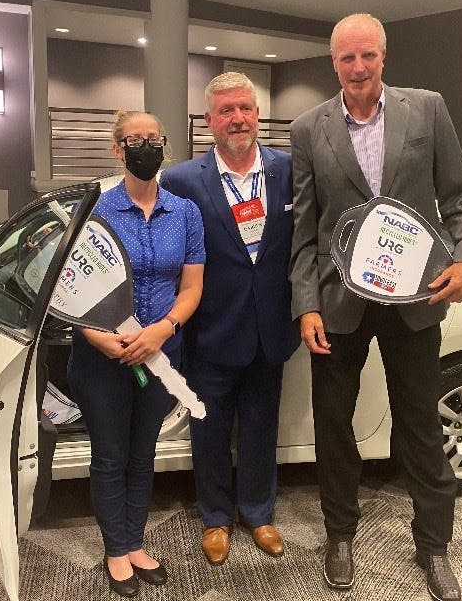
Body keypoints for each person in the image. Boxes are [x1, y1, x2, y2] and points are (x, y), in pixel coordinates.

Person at [289, 13, 462, 601]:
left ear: (383, 55)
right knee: (333, 425)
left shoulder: (427, 110)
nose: (358, 67)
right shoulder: (308, 129)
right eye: (347, 58)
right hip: (338, 301)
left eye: (367, 55)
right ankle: (340, 536)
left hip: (414, 300)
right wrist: (306, 304)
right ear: (334, 63)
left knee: (421, 425)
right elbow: (305, 229)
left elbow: (460, 200)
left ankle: (434, 548)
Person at [161, 72, 299, 566]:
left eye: (245, 108)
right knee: (209, 430)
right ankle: (216, 518)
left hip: (271, 328)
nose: (238, 118)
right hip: (210, 331)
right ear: (209, 120)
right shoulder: (181, 181)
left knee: (262, 427)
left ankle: (259, 513)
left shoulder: (289, 170)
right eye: (226, 111)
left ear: (257, 115)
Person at [66, 110, 205, 598]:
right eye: (134, 140)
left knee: (144, 453)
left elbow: (191, 288)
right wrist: (96, 336)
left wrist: (163, 330)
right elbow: (69, 285)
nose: (146, 147)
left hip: (160, 354)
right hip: (102, 355)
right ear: (117, 149)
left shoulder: (185, 213)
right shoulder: (94, 211)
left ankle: (135, 542)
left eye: (153, 138)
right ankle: (115, 549)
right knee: (110, 455)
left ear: (164, 145)